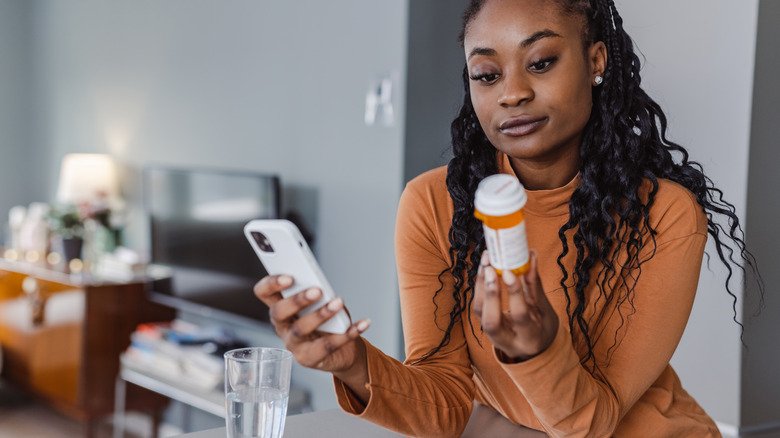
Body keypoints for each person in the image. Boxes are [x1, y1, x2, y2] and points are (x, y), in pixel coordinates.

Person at [254, 0, 760, 436]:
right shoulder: (435, 203)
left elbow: (595, 423)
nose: (511, 93)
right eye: (487, 75)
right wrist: (353, 364)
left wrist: (537, 350)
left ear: (595, 59)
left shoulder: (665, 214)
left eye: (540, 62)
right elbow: (446, 401)